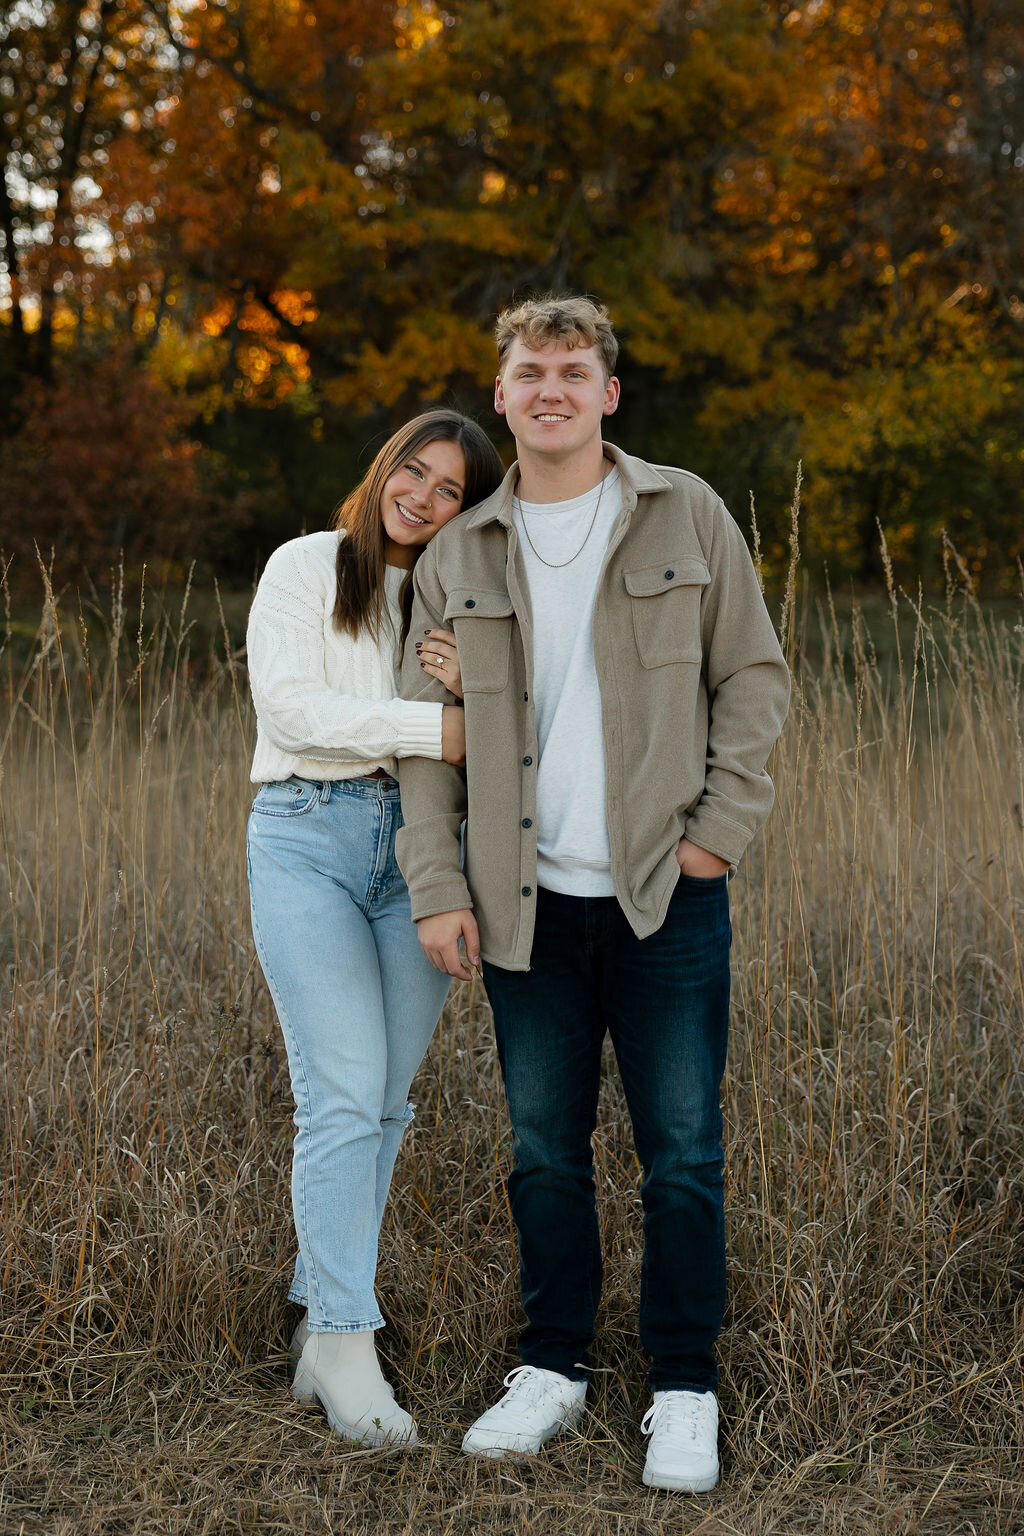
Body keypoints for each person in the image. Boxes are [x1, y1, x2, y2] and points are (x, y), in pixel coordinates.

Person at [396, 298, 790, 1491]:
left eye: (575, 370)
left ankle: (683, 1385)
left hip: (663, 895)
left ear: (609, 393)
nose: (551, 388)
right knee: (541, 1151)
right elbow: (428, 739)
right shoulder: (461, 553)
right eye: (530, 372)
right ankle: (553, 1368)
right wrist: (435, 884)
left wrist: (716, 838)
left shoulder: (685, 511)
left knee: (681, 1151)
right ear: (503, 394)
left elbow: (753, 677)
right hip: (521, 904)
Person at [245, 409, 503, 1447]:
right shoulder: (308, 566)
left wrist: (471, 686)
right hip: (307, 832)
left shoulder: (454, 598)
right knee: (343, 1092)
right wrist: (437, 723)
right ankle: (348, 1337)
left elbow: (507, 726)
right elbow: (293, 709)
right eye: (416, 472)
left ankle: (320, 1335)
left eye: (451, 492)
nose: (425, 499)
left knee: (382, 1101)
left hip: (423, 851)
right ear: (385, 466)